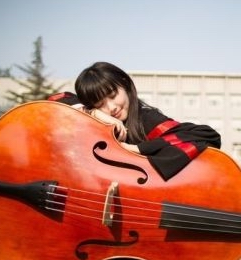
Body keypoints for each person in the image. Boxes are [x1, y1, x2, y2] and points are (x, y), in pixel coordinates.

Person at [48, 61, 221, 180]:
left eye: (113, 95)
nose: (111, 107)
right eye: (100, 104)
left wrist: (134, 148)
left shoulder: (146, 119)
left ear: (125, 84)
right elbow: (54, 102)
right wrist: (93, 113)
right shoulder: (91, 118)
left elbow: (207, 135)